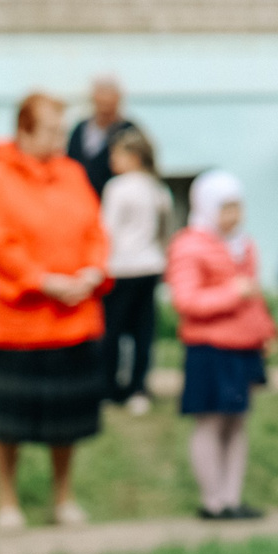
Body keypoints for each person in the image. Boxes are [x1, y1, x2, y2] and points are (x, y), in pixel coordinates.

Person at [0, 92, 110, 533]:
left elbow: (95, 229)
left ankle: (62, 496)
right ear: (24, 129)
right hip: (20, 320)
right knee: (7, 421)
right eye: (51, 129)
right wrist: (43, 280)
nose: (59, 138)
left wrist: (92, 271)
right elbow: (0, 241)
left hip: (72, 318)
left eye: (60, 129)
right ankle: (7, 500)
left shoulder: (72, 173)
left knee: (67, 420)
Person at [169, 169, 276, 521]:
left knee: (238, 421)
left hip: (243, 346)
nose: (233, 215)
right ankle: (212, 500)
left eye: (237, 207)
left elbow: (254, 297)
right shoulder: (189, 245)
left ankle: (232, 498)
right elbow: (186, 300)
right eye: (225, 207)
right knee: (210, 422)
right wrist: (231, 293)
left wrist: (265, 332)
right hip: (209, 348)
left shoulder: (244, 246)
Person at [99, 130, 172, 415]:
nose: (112, 160)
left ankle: (110, 387)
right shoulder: (158, 189)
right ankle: (138, 387)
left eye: (117, 154)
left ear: (134, 157)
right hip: (150, 267)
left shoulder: (117, 188)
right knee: (143, 331)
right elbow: (163, 232)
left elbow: (107, 231)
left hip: (120, 267)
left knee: (113, 331)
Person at [65, 76, 142, 202]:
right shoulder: (80, 129)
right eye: (101, 102)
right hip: (79, 200)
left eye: (109, 103)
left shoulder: (128, 131)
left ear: (118, 100)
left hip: (115, 201)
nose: (104, 107)